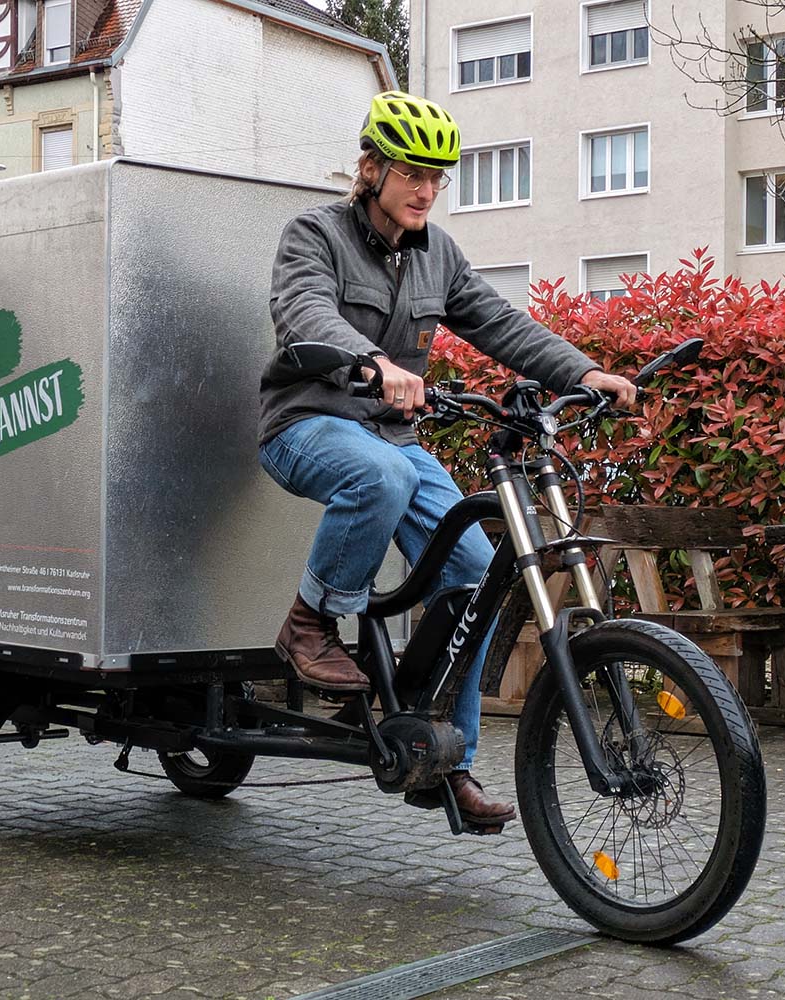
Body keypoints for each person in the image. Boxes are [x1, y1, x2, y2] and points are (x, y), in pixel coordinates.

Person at [258, 90, 635, 831]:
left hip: (391, 436)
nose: (427, 189)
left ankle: (446, 758)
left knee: (474, 571)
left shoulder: (438, 254)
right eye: (411, 173)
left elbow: (499, 324)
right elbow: (304, 312)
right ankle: (310, 624)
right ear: (372, 169)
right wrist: (371, 361)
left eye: (438, 176)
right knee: (384, 475)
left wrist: (584, 373)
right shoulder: (315, 234)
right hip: (308, 423)